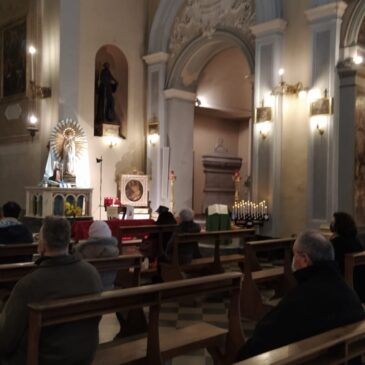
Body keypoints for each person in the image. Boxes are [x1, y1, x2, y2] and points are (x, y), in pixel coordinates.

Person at [236, 230, 365, 363]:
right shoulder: (347, 291)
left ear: (305, 259)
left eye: (294, 255)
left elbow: (263, 339)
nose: (292, 260)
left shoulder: (301, 298)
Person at [0, 216, 102, 365]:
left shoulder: (30, 284)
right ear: (68, 242)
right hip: (83, 356)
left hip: (41, 359)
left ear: (42, 246)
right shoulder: (92, 273)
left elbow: (5, 340)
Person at [330, 211, 365, 302]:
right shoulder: (356, 240)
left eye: (333, 222)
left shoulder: (336, 243)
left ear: (339, 225)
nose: (331, 224)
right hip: (360, 283)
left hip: (343, 283)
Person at [74, 220, 119, 290]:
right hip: (109, 287)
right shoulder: (115, 251)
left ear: (90, 234)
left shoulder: (83, 251)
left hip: (88, 290)